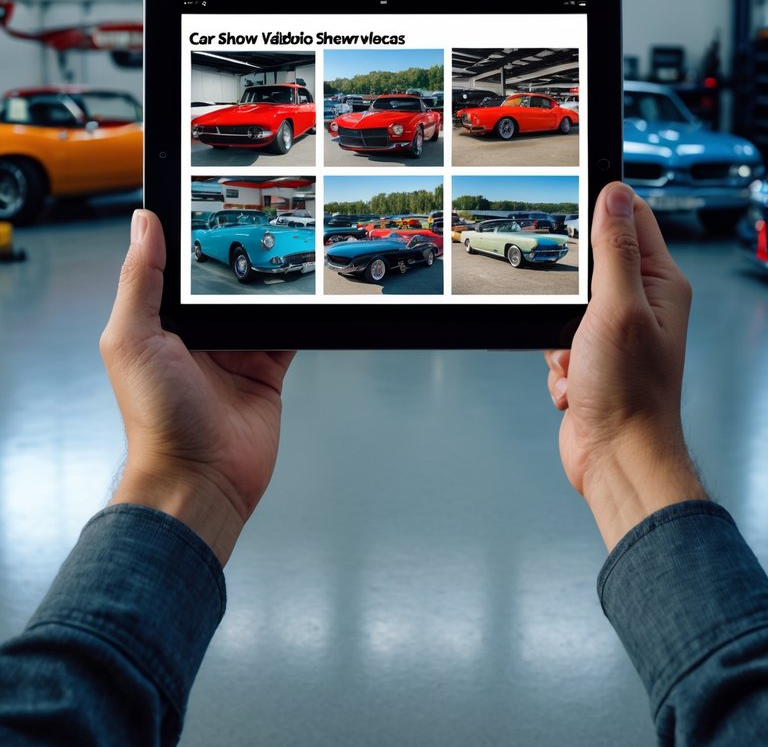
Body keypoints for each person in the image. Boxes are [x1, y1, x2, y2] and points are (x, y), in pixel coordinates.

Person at [0, 185, 767, 743]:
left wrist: (181, 471)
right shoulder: (332, 235)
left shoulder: (412, 235)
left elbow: (66, 708)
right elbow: (743, 704)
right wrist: (629, 441)